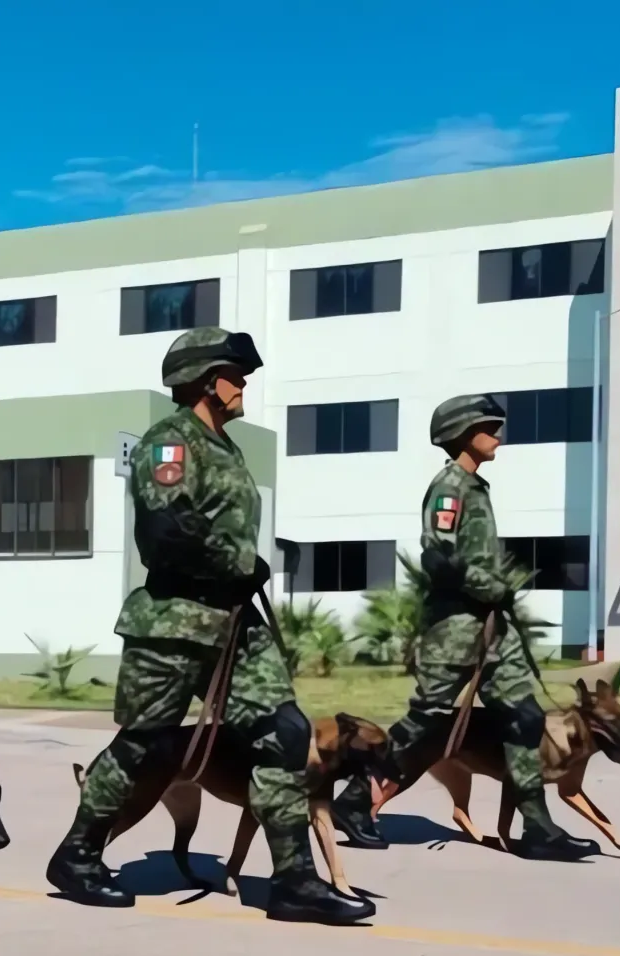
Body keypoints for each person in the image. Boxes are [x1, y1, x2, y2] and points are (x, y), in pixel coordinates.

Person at [46, 327, 375, 925]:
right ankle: (77, 854)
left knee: (285, 731)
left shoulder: (225, 446)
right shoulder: (168, 444)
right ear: (205, 380)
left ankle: (294, 882)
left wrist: (245, 570)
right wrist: (239, 562)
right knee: (144, 745)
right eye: (234, 374)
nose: (243, 384)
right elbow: (166, 530)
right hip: (174, 621)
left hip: (233, 621)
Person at [329, 395, 599, 860]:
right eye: (488, 425)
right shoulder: (449, 488)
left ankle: (537, 828)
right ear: (461, 433)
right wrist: (487, 585)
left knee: (526, 717)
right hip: (454, 629)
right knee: (426, 723)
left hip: (494, 629)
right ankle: (353, 802)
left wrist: (496, 594)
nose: (498, 433)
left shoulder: (477, 487)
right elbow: (439, 555)